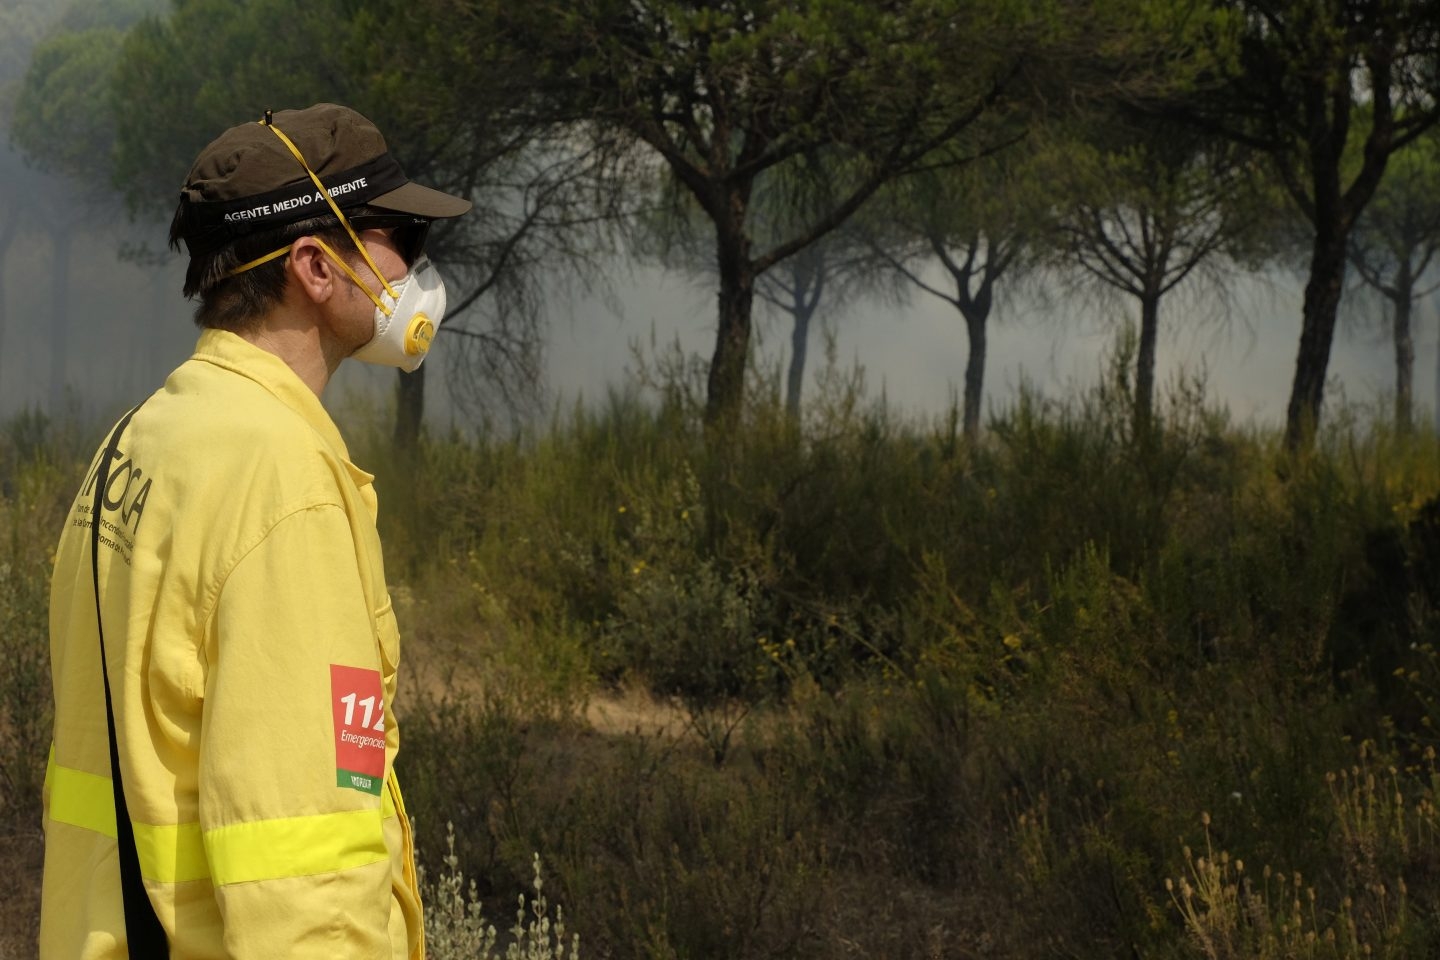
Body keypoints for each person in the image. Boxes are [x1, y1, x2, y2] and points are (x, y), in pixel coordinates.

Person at [40, 102, 470, 959]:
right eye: (403, 240)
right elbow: (304, 869)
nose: (419, 270)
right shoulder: (281, 483)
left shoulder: (139, 438)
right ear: (314, 265)